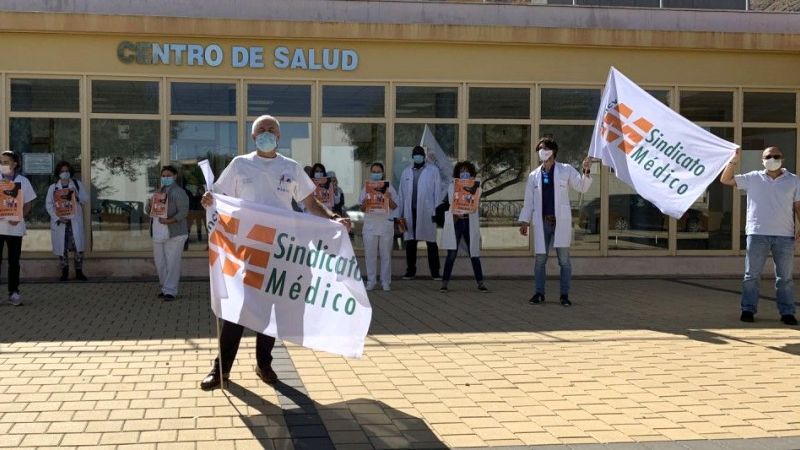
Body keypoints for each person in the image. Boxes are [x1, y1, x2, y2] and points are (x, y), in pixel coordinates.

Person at [200, 115, 351, 390]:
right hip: (246, 250)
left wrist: (333, 218)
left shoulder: (291, 167)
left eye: (271, 129)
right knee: (237, 311)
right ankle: (221, 369)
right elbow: (218, 196)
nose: (266, 133)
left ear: (279, 136)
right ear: (253, 136)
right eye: (261, 130)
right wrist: (209, 200)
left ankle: (264, 364)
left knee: (269, 311)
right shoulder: (240, 164)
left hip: (280, 251)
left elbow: (310, 203)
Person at [720, 146, 799, 326]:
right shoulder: (753, 178)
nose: (772, 159)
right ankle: (748, 310)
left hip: (784, 235)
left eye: (776, 156)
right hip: (757, 234)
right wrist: (733, 161)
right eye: (768, 156)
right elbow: (725, 179)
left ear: (782, 159)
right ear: (762, 160)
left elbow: (798, 206)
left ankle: (787, 312)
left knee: (785, 278)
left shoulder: (794, 180)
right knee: (751, 275)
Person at [519, 138, 592, 307]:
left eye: (544, 148)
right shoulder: (534, 175)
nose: (541, 152)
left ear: (552, 151)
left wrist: (586, 170)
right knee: (540, 260)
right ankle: (539, 293)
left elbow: (582, 187)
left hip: (560, 221)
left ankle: (564, 295)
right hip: (542, 222)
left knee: (564, 261)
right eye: (539, 149)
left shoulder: (565, 169)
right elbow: (529, 201)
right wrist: (524, 221)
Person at [440, 161, 487, 293]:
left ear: (471, 173)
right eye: (462, 171)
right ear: (457, 173)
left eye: (467, 171)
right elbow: (450, 204)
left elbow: (476, 199)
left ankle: (480, 282)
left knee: (474, 253)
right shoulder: (452, 186)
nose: (464, 173)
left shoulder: (475, 186)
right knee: (452, 253)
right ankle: (444, 283)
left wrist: (473, 185)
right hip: (457, 222)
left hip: (469, 221)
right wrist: (456, 214)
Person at [398, 145, 442, 280]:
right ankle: (410, 271)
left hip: (427, 212)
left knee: (431, 242)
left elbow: (437, 192)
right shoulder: (406, 172)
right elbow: (401, 194)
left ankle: (435, 272)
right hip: (410, 212)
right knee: (411, 242)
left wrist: (436, 211)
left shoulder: (433, 171)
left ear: (424, 156)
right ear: (412, 156)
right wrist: (399, 214)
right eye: (416, 154)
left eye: (420, 154)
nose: (418, 156)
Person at [146, 166, 189, 301]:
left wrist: (169, 221)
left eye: (168, 175)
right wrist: (149, 204)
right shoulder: (158, 192)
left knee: (172, 263)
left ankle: (170, 291)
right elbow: (149, 211)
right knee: (160, 262)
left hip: (175, 233)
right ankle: (165, 288)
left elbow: (183, 212)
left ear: (175, 176)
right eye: (163, 175)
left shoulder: (179, 192)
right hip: (158, 232)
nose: (166, 178)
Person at [0, 151, 36, 306]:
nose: (3, 165)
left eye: (6, 162)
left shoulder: (23, 181)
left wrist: (18, 217)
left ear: (14, 164)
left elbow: (28, 205)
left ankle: (14, 293)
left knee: (14, 262)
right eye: (1, 162)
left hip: (15, 228)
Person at [45, 161, 89, 282]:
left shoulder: (77, 184)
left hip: (74, 221)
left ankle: (79, 272)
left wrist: (77, 194)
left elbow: (85, 199)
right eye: (62, 171)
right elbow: (49, 205)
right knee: (62, 249)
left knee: (78, 248)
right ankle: (64, 273)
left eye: (67, 171)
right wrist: (58, 218)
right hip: (61, 222)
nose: (65, 173)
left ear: (70, 172)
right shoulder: (53, 187)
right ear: (58, 173)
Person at [359, 163, 398, 291]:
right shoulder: (366, 188)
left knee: (385, 255)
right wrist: (366, 202)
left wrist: (388, 198)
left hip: (385, 226)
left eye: (378, 171)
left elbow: (395, 206)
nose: (376, 174)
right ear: (371, 173)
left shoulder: (389, 187)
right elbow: (362, 208)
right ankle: (371, 281)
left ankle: (385, 281)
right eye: (374, 171)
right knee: (370, 255)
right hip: (370, 226)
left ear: (382, 173)